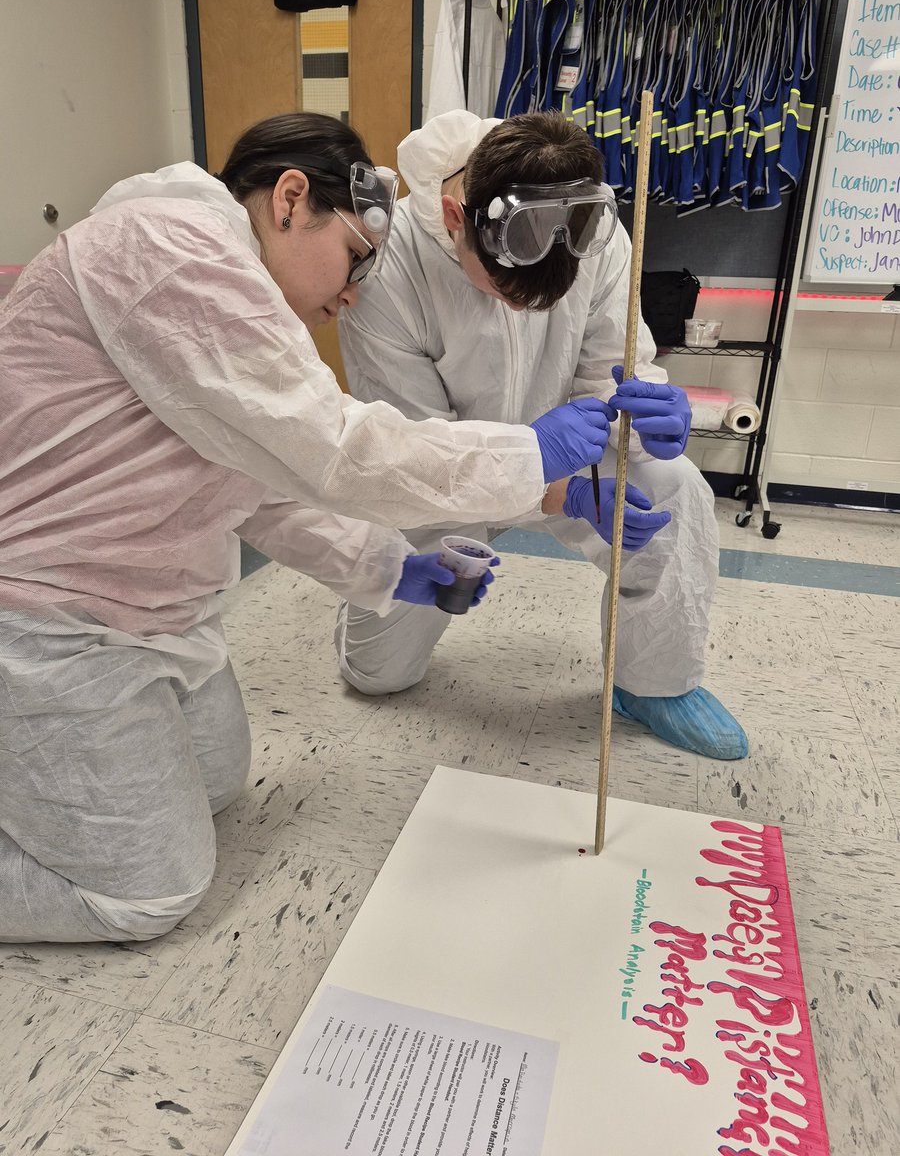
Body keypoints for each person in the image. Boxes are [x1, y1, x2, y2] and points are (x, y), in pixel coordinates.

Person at [0, 112, 618, 944]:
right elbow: (337, 447)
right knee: (150, 893)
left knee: (218, 785)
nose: (354, 291)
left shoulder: (217, 284)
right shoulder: (171, 249)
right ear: (291, 199)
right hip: (44, 617)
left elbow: (258, 485)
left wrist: (392, 570)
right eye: (355, 255)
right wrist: (531, 451)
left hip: (147, 616)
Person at [336, 109, 748, 763]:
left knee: (676, 489)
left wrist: (646, 421)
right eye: (505, 293)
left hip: (572, 455)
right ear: (452, 219)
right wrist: (554, 491)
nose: (526, 313)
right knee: (378, 674)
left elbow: (610, 374)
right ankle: (369, 622)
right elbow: (410, 451)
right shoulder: (387, 270)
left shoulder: (594, 229)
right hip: (438, 477)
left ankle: (654, 685)